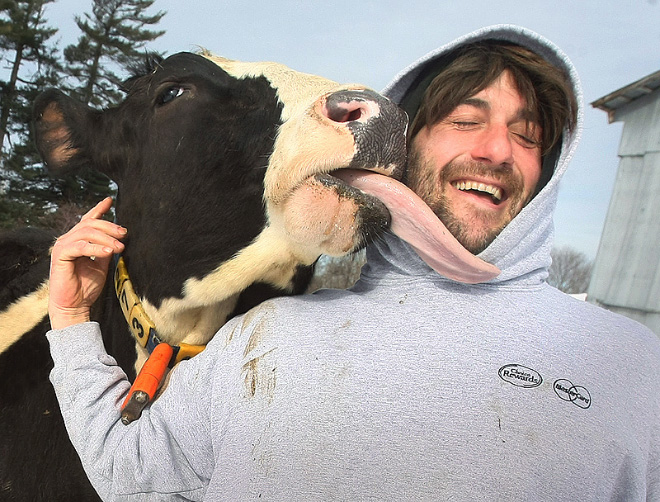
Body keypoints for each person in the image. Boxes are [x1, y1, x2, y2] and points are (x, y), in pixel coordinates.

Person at [47, 25, 660, 500]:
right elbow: (130, 476)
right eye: (465, 121)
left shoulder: (634, 369)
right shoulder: (258, 337)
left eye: (528, 138)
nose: (497, 150)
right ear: (402, 142)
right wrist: (72, 322)